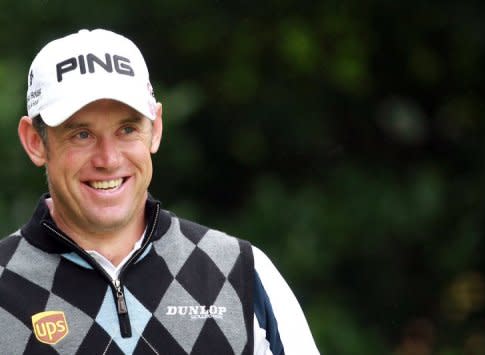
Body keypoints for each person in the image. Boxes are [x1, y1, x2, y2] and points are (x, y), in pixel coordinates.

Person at [0, 29, 320, 355]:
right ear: (35, 142)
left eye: (127, 129)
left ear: (156, 129)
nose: (108, 159)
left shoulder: (241, 273)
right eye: (81, 134)